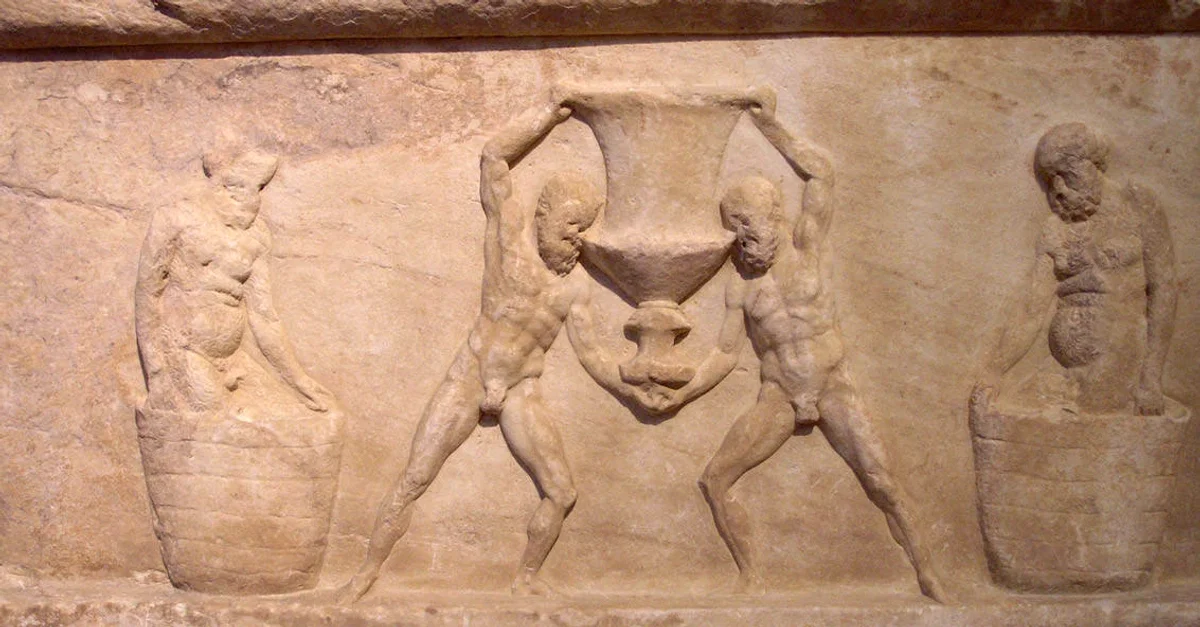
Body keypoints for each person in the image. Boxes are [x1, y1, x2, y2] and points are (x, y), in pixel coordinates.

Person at [658, 103, 946, 601]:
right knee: (716, 478)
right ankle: (751, 577)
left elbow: (821, 173)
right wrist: (683, 393)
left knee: (882, 480)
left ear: (775, 215)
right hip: (779, 396)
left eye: (747, 221)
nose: (740, 234)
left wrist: (767, 122)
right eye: (733, 225)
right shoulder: (742, 287)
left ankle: (929, 574)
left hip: (833, 388)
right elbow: (725, 354)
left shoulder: (810, 247)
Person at [335, 97, 605, 602]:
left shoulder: (574, 290)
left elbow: (593, 356)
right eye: (570, 224)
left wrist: (639, 383)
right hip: (471, 377)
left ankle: (527, 577)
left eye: (584, 230)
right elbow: (493, 159)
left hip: (522, 390)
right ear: (543, 217)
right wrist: (551, 113)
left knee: (562, 491)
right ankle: (365, 575)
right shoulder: (509, 249)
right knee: (415, 476)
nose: (577, 238)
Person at [972, 122, 1177, 416]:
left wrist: (1152, 377)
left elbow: (1163, 289)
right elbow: (1032, 311)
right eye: (1051, 180)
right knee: (1002, 412)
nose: (1059, 190)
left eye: (1067, 175)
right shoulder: (1056, 229)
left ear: (1093, 165)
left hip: (1118, 360)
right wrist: (995, 371)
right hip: (1062, 370)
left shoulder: (1137, 204)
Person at [135, 145, 337, 420]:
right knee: (218, 418)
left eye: (258, 188)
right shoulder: (177, 219)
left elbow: (264, 317)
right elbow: (148, 293)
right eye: (239, 186)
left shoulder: (257, 237)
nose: (251, 198)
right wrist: (156, 371)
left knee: (297, 417)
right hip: (184, 351)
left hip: (235, 360)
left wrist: (299, 381)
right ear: (220, 183)